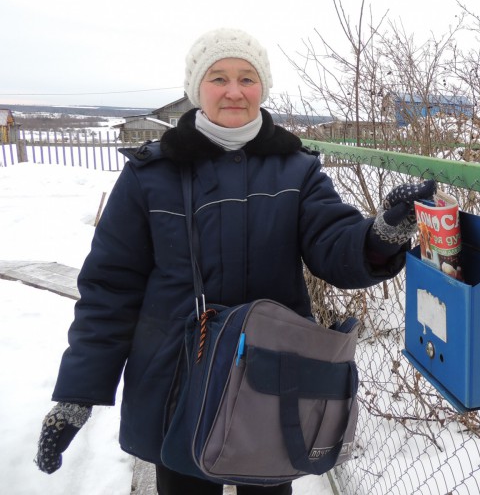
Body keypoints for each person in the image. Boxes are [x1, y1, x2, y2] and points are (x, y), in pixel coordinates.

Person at [35, 27, 435, 494]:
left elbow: (333, 241)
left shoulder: (296, 168)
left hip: (271, 376)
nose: (233, 91)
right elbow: (110, 288)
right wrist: (76, 395)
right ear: (196, 89)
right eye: (218, 77)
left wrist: (383, 233)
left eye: (247, 78)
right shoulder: (151, 173)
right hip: (176, 380)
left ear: (262, 87)